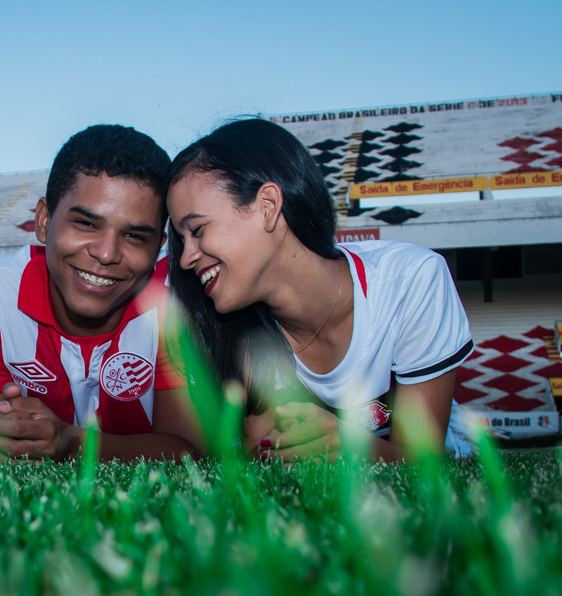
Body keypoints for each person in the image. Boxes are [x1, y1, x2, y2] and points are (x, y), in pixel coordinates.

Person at [166, 118, 474, 461]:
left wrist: (348, 445)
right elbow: (267, 458)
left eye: (197, 230)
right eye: (181, 239)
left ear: (267, 206)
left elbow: (423, 463)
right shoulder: (235, 329)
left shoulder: (410, 280)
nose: (186, 259)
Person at [0, 124, 201, 461]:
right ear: (43, 221)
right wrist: (5, 438)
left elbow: (188, 451)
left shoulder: (174, 300)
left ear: (159, 246)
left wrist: (72, 443)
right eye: (86, 224)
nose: (107, 253)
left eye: (134, 236)